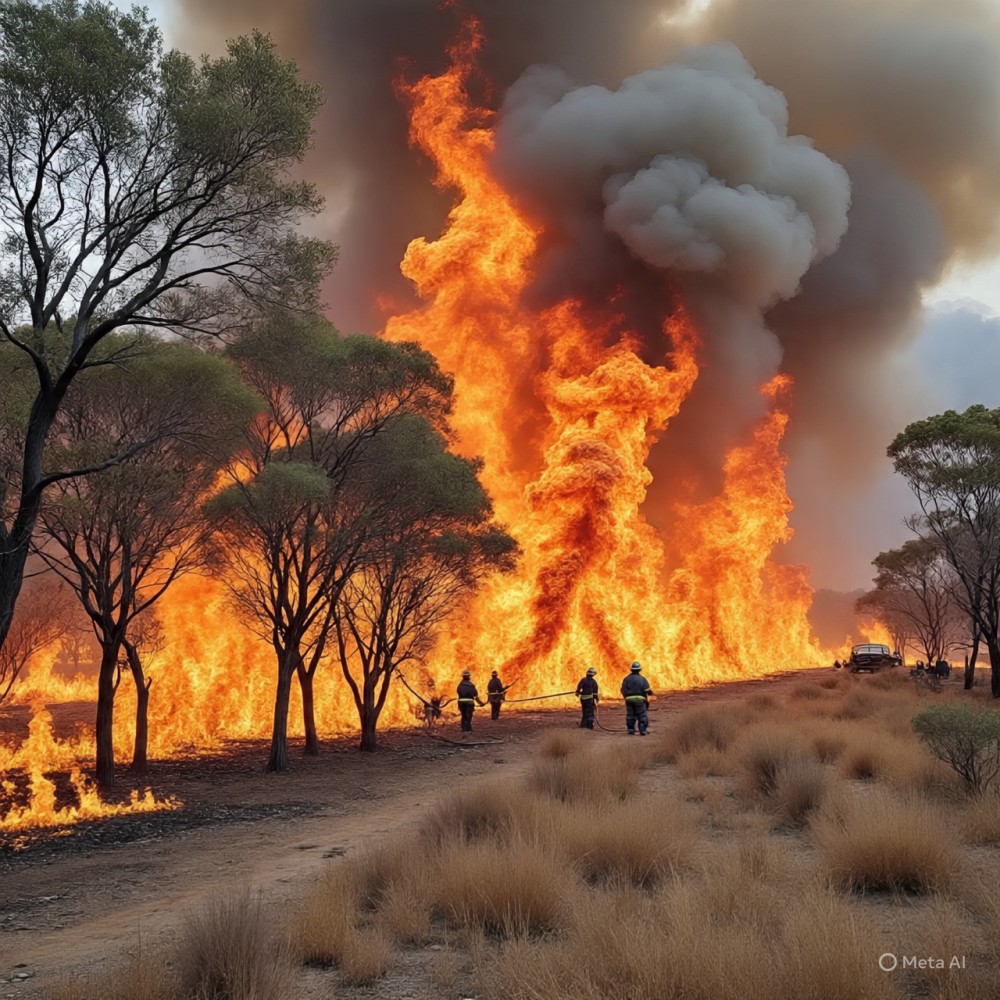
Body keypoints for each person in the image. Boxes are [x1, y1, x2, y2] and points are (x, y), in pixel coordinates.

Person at [620, 660, 652, 736]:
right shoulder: (642, 679)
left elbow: (622, 689)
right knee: (642, 715)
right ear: (639, 669)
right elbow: (647, 690)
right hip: (640, 700)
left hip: (629, 699)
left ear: (631, 669)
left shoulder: (626, 679)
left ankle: (631, 730)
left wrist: (626, 697)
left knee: (630, 715)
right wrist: (651, 693)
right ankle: (642, 730)